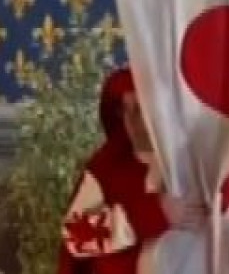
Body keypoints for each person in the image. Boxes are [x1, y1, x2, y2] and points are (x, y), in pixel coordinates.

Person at [58, 67, 207, 274]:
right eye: (125, 109)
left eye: (140, 108)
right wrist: (154, 213)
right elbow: (75, 236)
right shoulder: (108, 166)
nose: (131, 119)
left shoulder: (195, 159)